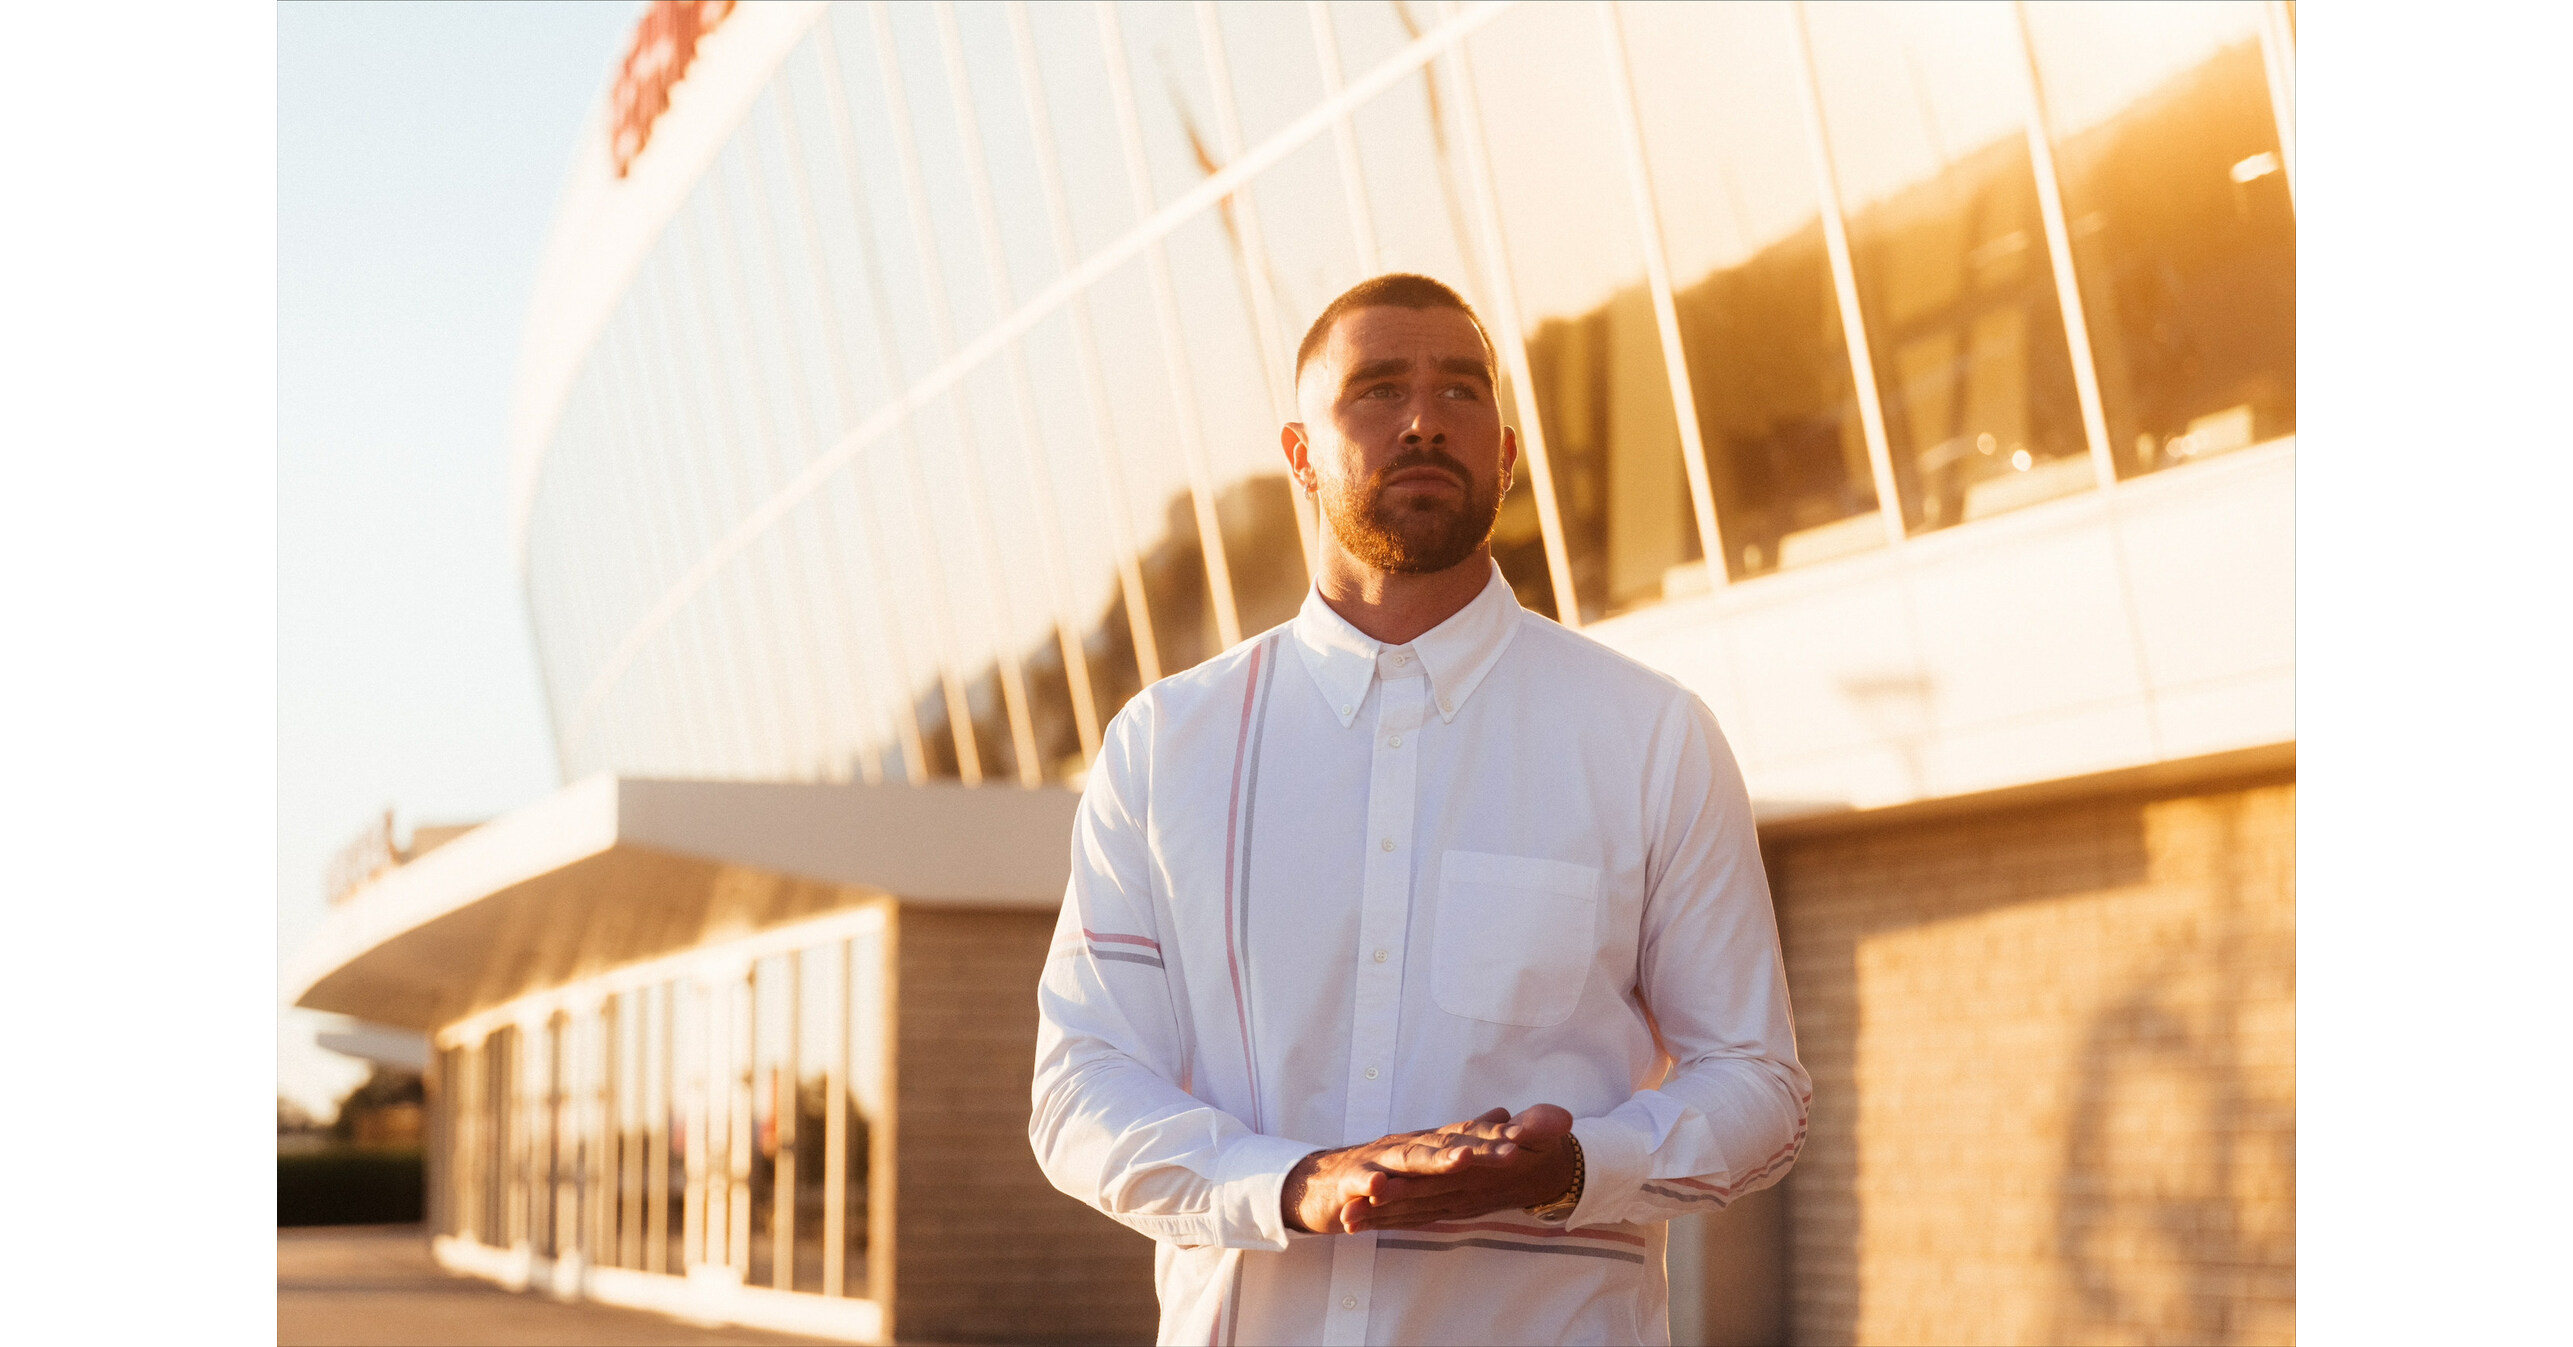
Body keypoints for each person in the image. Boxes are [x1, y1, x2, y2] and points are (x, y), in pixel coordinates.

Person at [1031, 273, 1808, 1346]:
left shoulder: (1649, 737)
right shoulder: (1164, 746)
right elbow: (1079, 1089)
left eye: (1461, 390)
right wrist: (1290, 1184)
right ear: (1298, 454)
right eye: (1376, 388)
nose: (1422, 419)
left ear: (1505, 451)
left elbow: (1758, 1090)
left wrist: (1580, 1167)